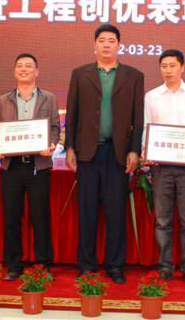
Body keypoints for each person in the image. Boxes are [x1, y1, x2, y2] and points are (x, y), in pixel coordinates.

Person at [65, 24, 144, 284]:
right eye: (102, 40)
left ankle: (115, 265)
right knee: (87, 212)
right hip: (88, 152)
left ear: (119, 45)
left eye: (111, 40)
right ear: (95, 45)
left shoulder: (134, 76)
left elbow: (138, 119)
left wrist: (134, 150)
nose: (107, 44)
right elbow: (72, 113)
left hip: (118, 153)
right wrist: (70, 147)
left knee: (115, 212)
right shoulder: (80, 74)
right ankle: (87, 265)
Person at [143, 49, 185, 284]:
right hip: (160, 166)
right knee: (162, 220)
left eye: (172, 66)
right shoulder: (152, 96)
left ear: (182, 67)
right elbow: (147, 128)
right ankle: (165, 266)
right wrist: (146, 151)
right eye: (164, 66)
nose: (168, 70)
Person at [0, 53, 60, 281]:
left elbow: (54, 127)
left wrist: (51, 144)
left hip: (38, 166)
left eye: (28, 66)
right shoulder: (3, 100)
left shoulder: (49, 98)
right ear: (15, 71)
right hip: (12, 166)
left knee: (40, 218)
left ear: (36, 72)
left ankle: (43, 264)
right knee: (12, 218)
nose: (24, 69)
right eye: (19, 66)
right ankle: (13, 265)